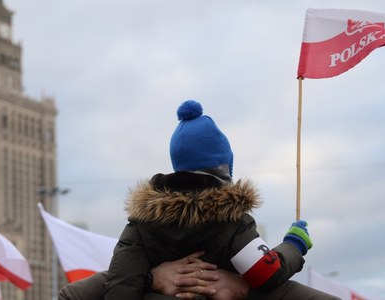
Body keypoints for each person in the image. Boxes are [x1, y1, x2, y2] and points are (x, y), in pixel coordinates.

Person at [59, 100, 338, 300]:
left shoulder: (142, 222)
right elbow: (266, 274)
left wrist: (150, 281)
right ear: (225, 168)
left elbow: (120, 289)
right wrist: (294, 245)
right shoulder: (232, 219)